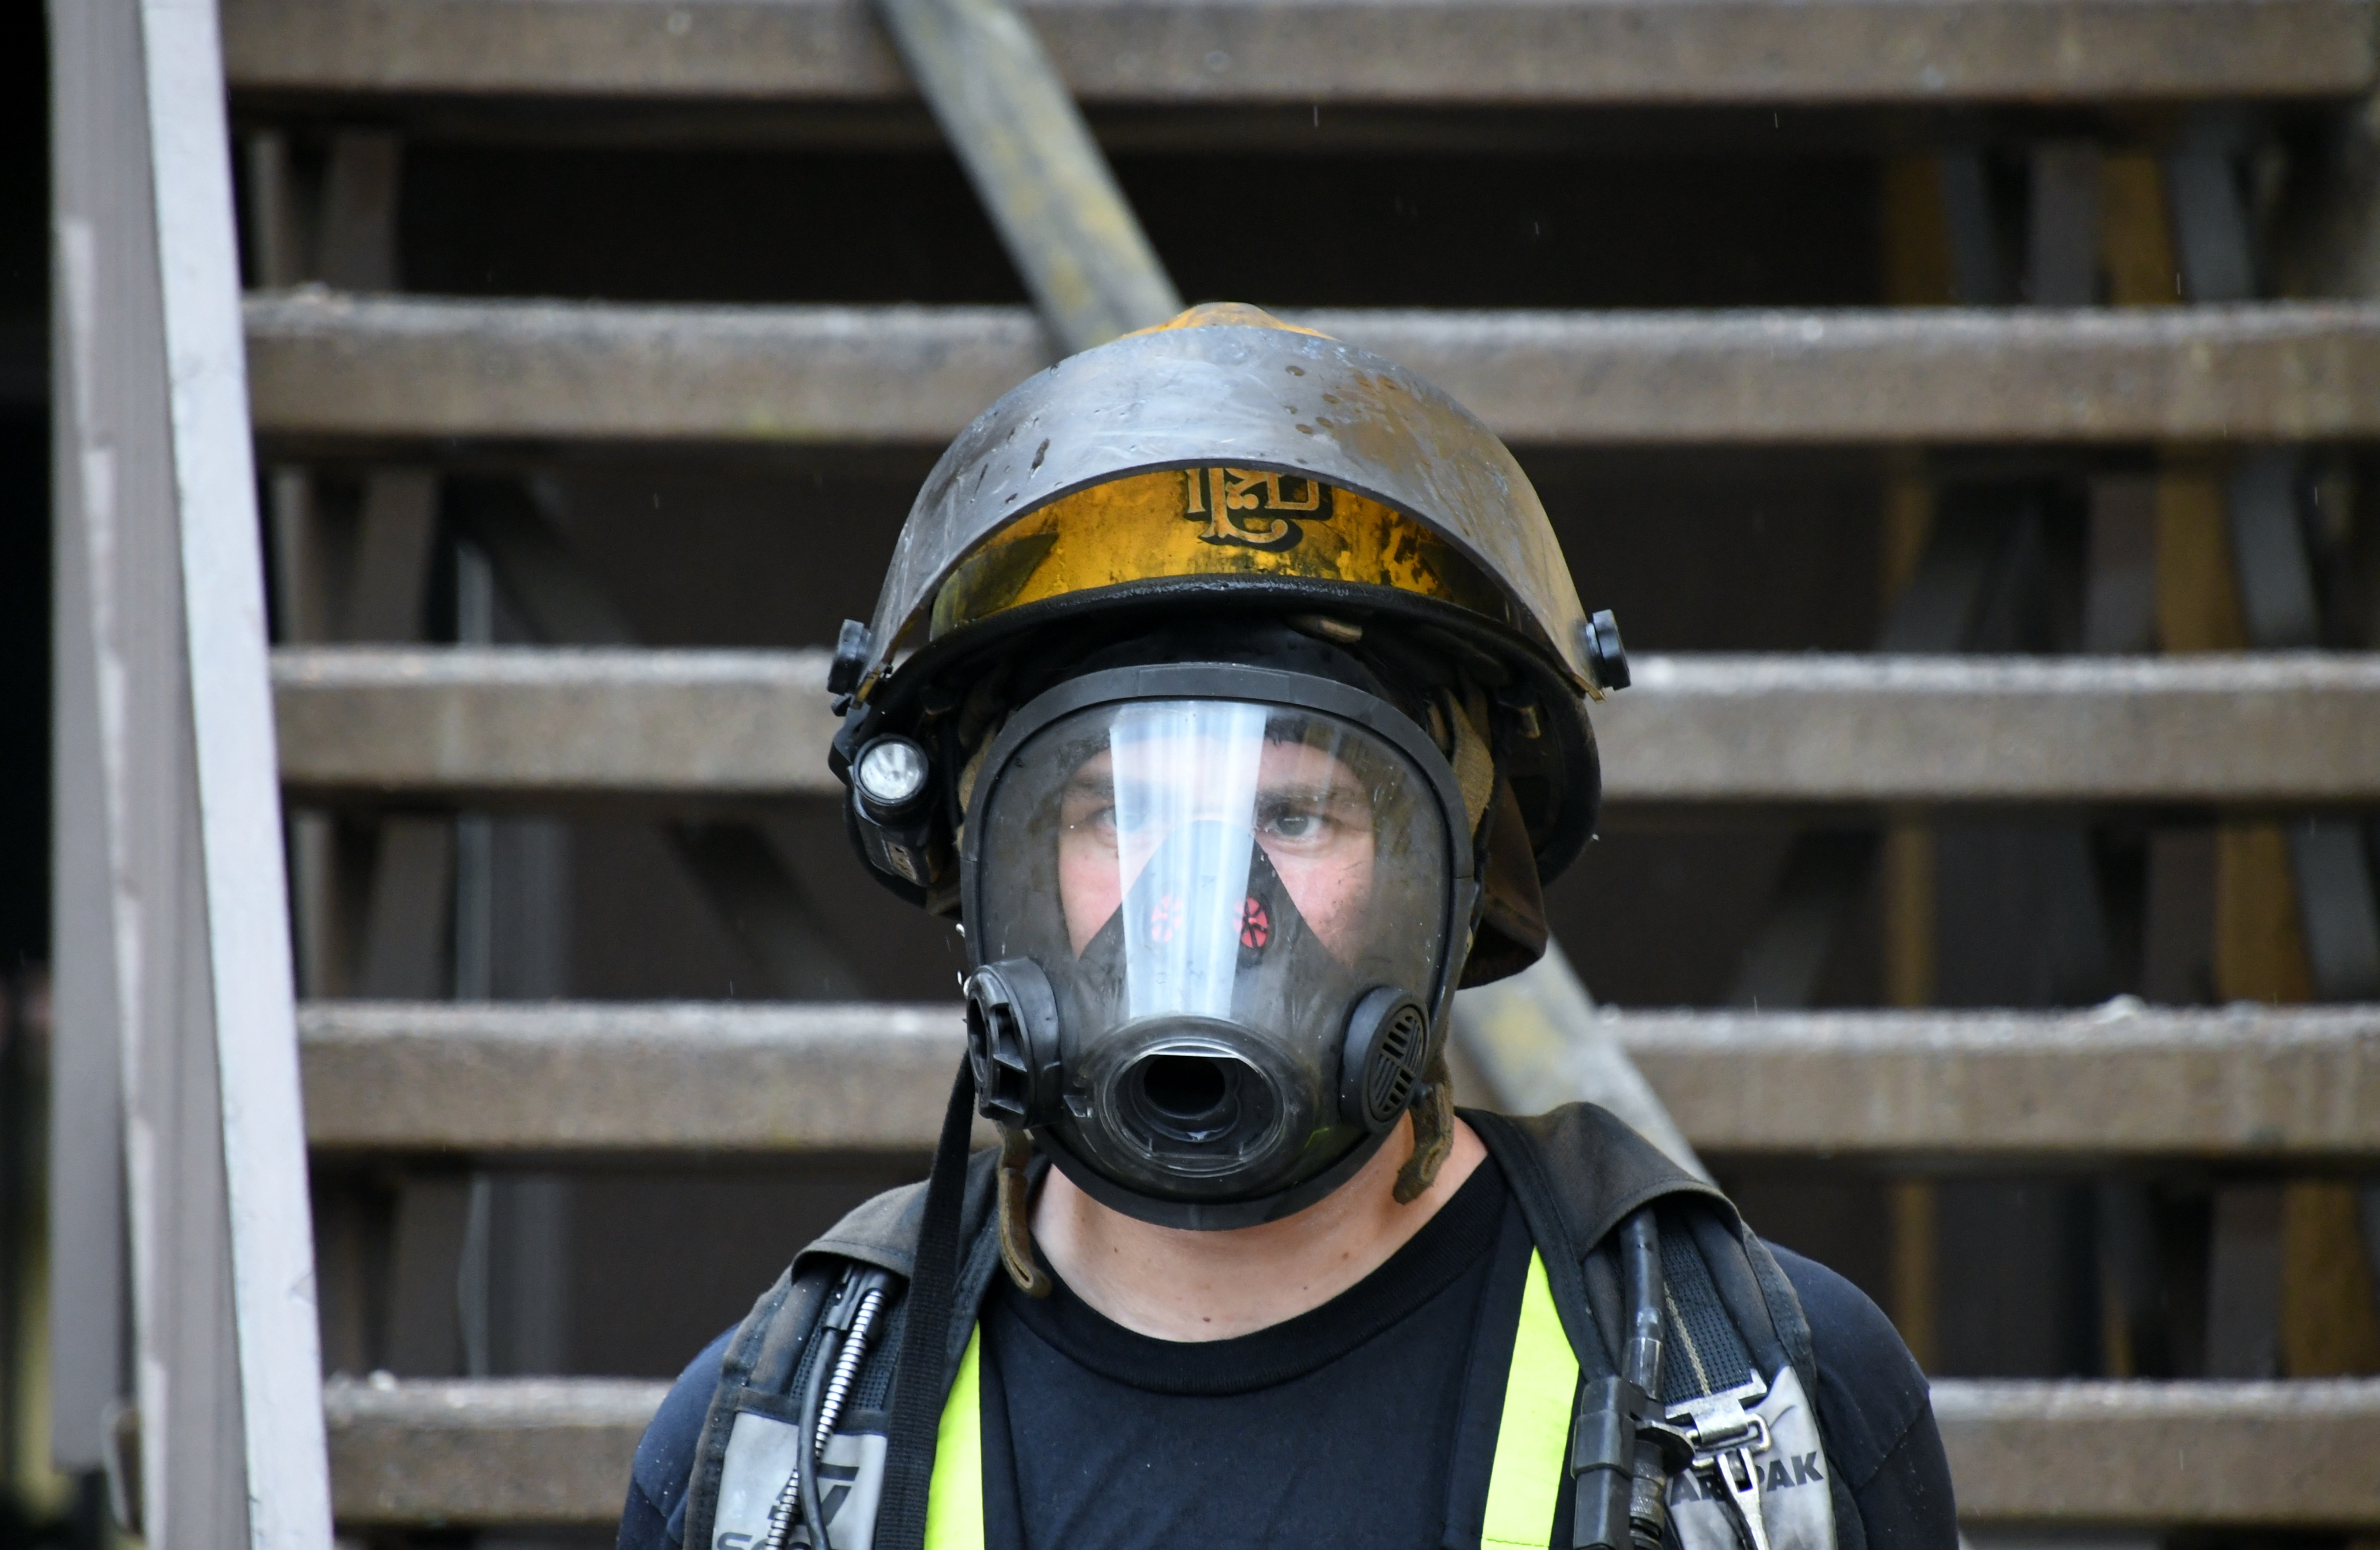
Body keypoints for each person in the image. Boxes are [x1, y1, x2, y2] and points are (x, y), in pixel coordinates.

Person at [617, 304, 1956, 1550]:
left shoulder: (1759, 1397)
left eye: (1299, 812)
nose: (1210, 900)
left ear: (1449, 871)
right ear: (991, 864)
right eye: (1117, 813)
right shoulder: (782, 1446)